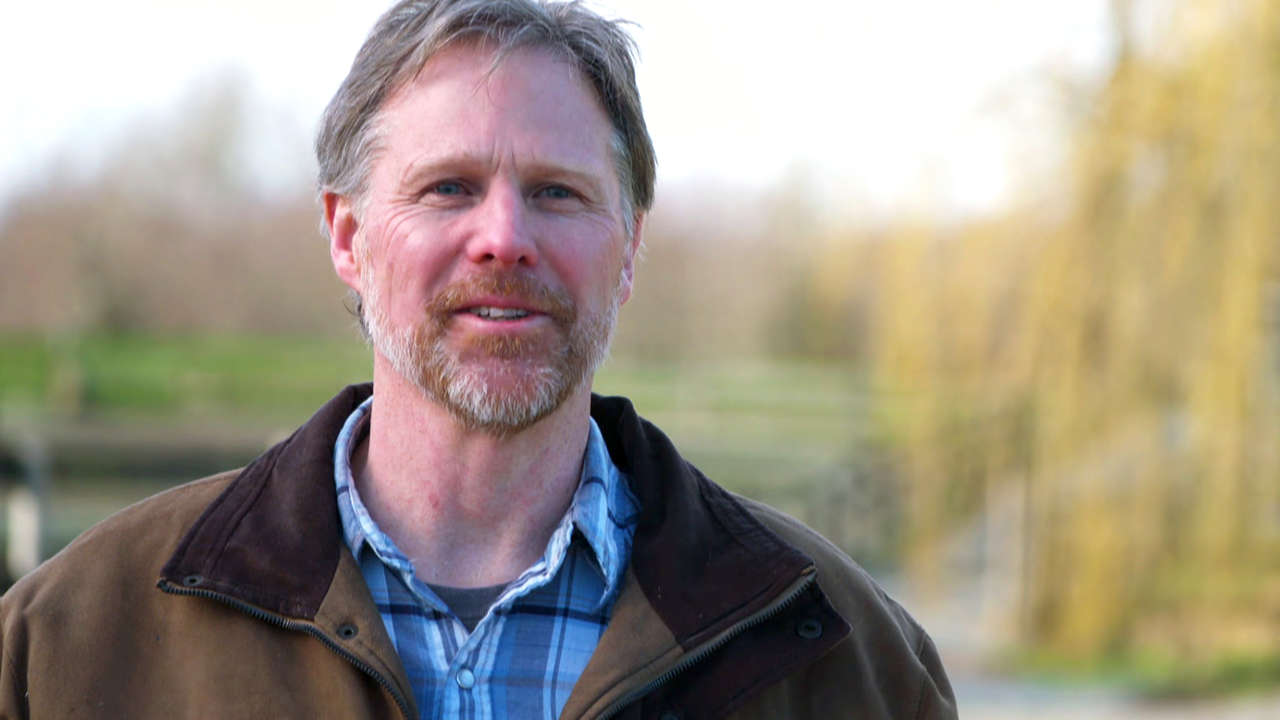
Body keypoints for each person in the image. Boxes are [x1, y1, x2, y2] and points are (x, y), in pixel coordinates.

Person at [0, 1, 957, 717]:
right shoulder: (66, 645)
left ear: (630, 246)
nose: (504, 238)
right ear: (348, 236)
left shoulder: (853, 662)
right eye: (449, 188)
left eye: (557, 192)